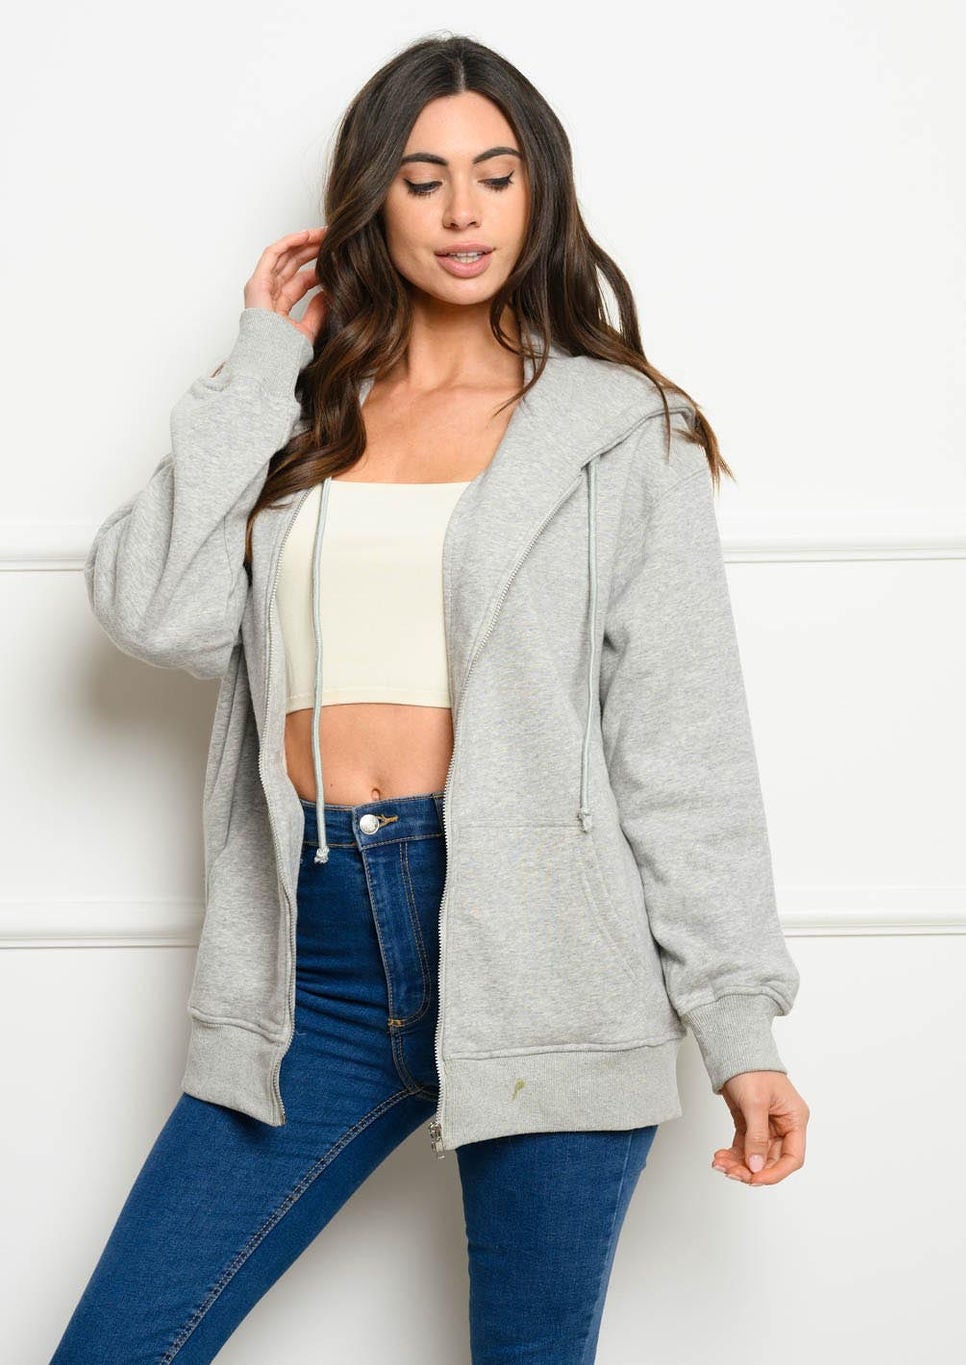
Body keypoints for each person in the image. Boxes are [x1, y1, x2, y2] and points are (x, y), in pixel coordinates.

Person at [52, 32, 810, 1365]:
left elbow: (682, 747)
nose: (464, 213)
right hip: (317, 968)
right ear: (373, 200)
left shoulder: (618, 432)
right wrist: (253, 368)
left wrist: (739, 1028)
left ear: (540, 193)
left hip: (547, 958)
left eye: (496, 176)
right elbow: (151, 610)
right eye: (424, 179)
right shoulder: (301, 414)